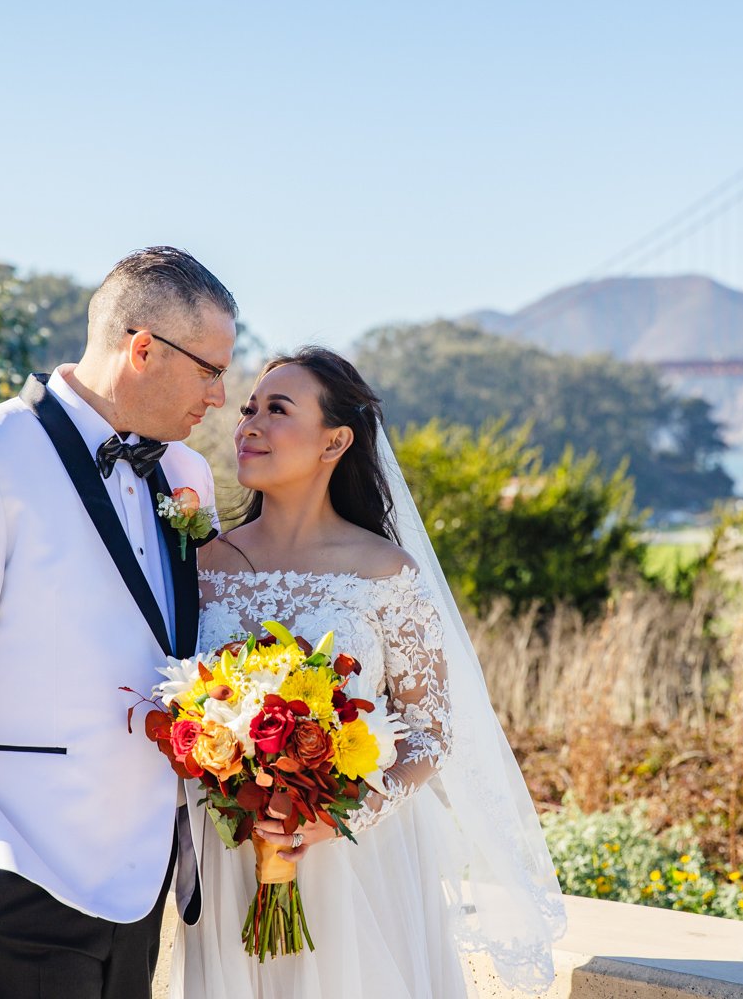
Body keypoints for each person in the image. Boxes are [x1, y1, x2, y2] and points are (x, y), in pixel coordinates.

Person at [0, 246, 237, 999]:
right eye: (209, 369)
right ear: (143, 348)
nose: (220, 395)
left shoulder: (187, 476)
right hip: (17, 869)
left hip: (145, 883)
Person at [173, 348, 564, 998]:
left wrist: (344, 815)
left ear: (336, 440)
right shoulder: (201, 564)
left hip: (355, 859)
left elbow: (429, 734)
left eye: (277, 409)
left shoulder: (385, 573)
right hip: (228, 858)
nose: (249, 424)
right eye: (247, 409)